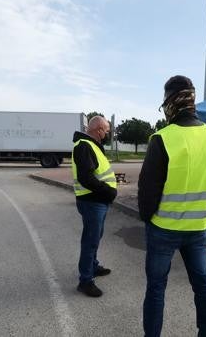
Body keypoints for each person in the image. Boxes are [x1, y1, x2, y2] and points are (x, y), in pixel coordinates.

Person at [138, 75, 206, 337]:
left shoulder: (163, 138)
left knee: (156, 287)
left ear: (170, 103)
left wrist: (148, 218)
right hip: (200, 228)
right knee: (202, 284)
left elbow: (148, 190)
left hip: (164, 227)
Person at [71, 115, 117, 297]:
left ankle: (93, 266)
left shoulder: (92, 146)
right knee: (90, 241)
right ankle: (85, 280)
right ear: (98, 130)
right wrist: (108, 191)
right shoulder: (84, 146)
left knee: (95, 237)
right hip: (92, 202)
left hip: (97, 201)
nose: (107, 134)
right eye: (106, 130)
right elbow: (86, 178)